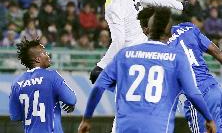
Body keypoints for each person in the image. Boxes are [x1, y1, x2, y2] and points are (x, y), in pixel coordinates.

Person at [78, 7, 216, 133]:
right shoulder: (176, 57)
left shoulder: (125, 54)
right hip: (158, 127)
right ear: (169, 31)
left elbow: (99, 85)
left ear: (146, 29)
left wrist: (87, 118)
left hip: (125, 127)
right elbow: (193, 93)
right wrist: (209, 119)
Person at [89, 0, 184, 84]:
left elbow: (119, 40)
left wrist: (101, 66)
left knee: (127, 100)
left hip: (131, 60)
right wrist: (180, 5)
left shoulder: (112, 5)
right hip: (146, 50)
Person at [9, 39, 77, 133]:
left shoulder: (16, 83)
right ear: (38, 59)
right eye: (44, 53)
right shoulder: (52, 76)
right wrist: (69, 104)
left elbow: (15, 116)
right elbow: (71, 99)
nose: (48, 55)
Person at [168, 20, 222, 133]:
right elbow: (217, 52)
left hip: (196, 97)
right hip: (214, 88)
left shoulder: (158, 43)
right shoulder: (189, 29)